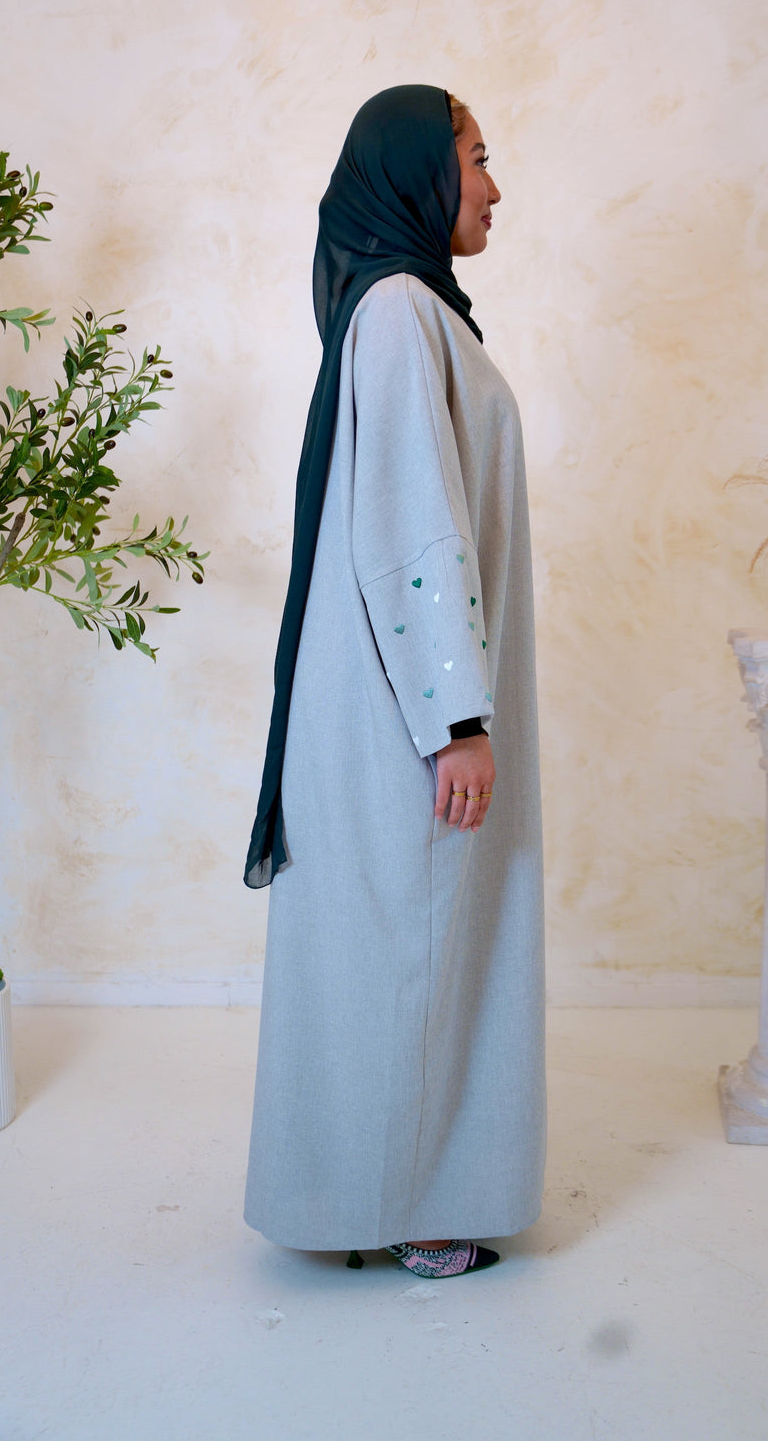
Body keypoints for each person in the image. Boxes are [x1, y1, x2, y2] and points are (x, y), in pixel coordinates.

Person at [243, 85, 545, 1280]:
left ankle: (377, 1184)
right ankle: (418, 1202)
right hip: (407, 709)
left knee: (397, 940)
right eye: (477, 157)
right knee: (416, 940)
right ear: (418, 171)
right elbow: (413, 532)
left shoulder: (400, 310)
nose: (493, 184)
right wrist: (456, 719)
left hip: (390, 696)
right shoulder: (402, 311)